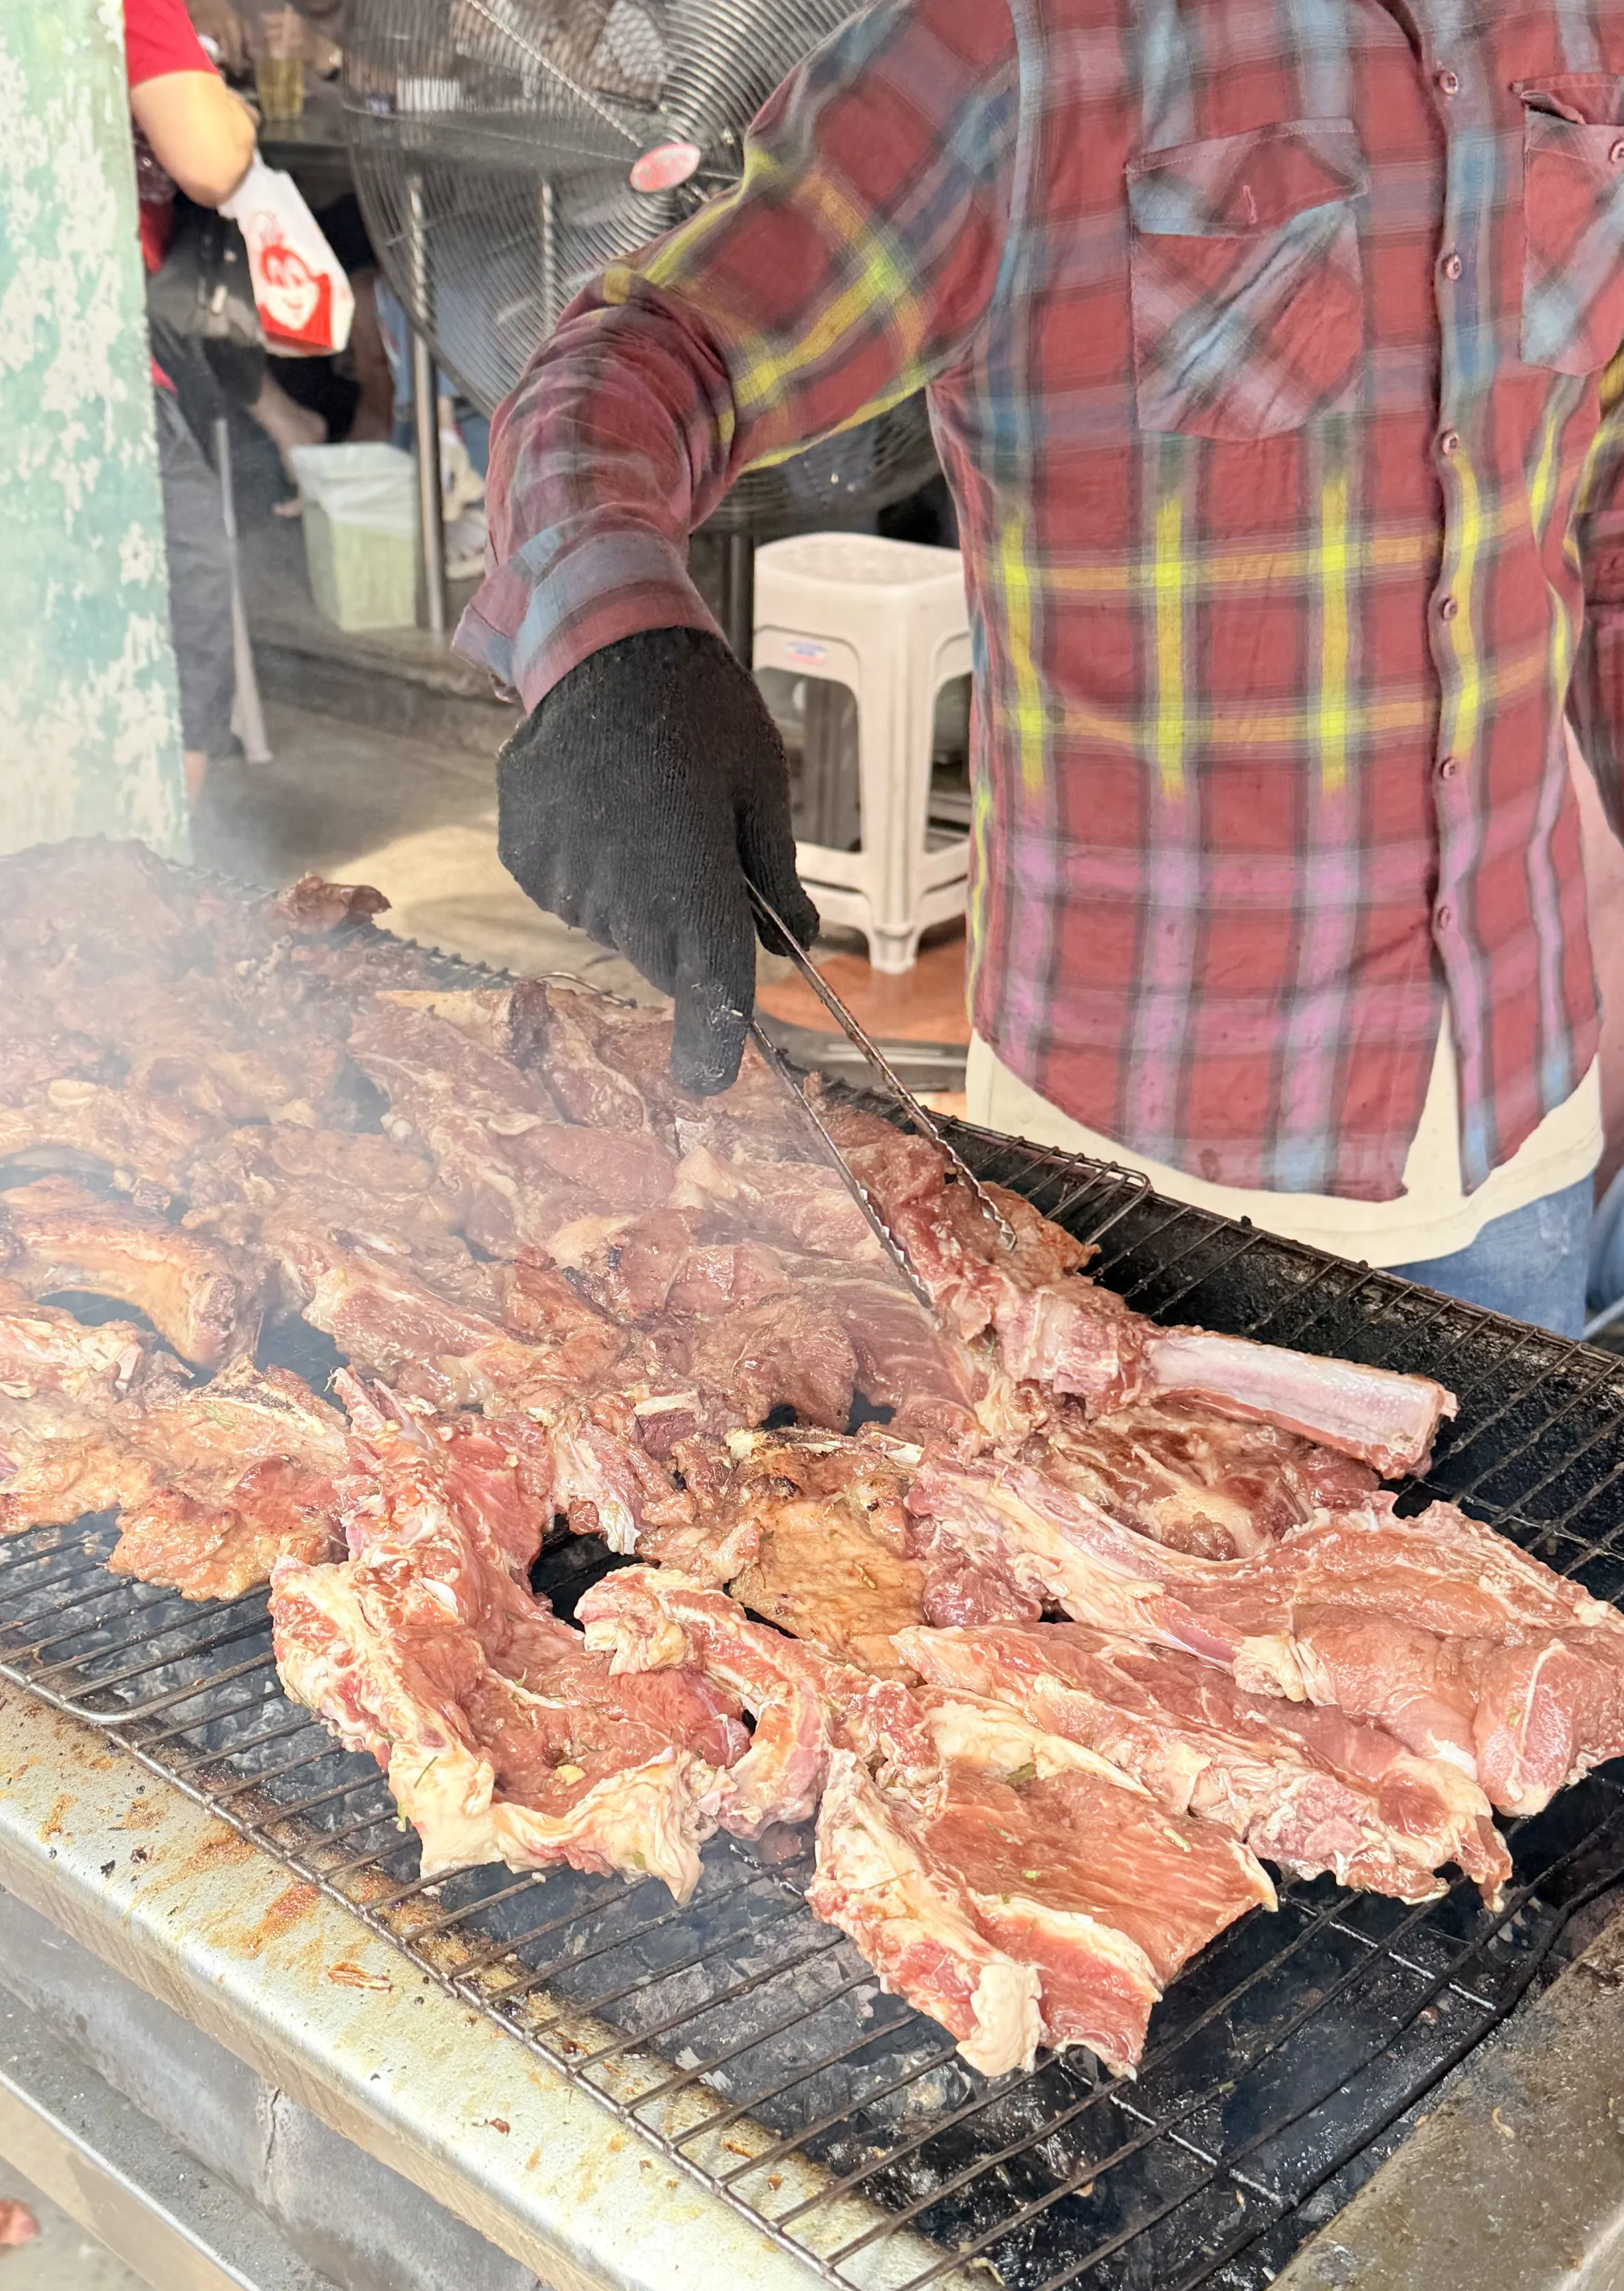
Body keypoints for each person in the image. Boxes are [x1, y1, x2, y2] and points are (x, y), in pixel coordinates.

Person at [453, 0, 1624, 1339]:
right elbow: (654, 351)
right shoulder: (1014, 39)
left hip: (1523, 1150)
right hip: (1135, 1190)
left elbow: (1592, 497)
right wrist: (613, 647)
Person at [125, 0, 256, 805]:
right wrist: (231, 105)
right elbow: (211, 158)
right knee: (187, 587)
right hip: (87, 357)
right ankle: (149, 870)